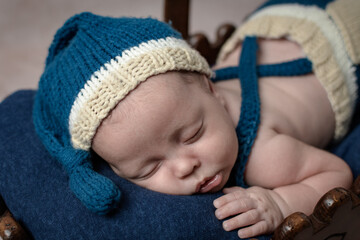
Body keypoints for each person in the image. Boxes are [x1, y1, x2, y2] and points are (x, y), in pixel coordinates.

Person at [33, 0, 359, 238]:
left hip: (339, 43)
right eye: (148, 168)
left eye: (192, 135)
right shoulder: (187, 106)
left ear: (211, 89)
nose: (185, 166)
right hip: (275, 33)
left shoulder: (265, 154)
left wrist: (279, 200)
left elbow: (336, 171)